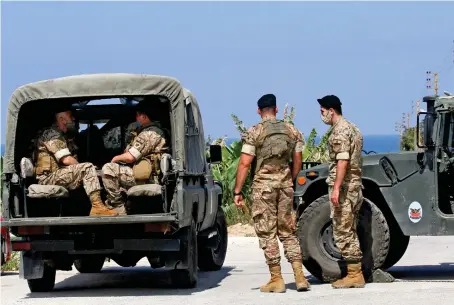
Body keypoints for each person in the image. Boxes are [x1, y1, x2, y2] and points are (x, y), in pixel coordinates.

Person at [233, 94, 310, 293]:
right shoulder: (292, 130)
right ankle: (300, 277)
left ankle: (276, 279)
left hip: (263, 189)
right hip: (285, 187)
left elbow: (244, 163)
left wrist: (237, 191)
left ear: (259, 111)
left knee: (267, 232)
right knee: (288, 231)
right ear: (276, 109)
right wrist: (288, 180)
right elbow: (298, 161)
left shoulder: (255, 132)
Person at [318, 94, 366, 288]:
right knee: (350, 228)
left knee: (342, 230)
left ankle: (355, 275)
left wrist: (336, 188)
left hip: (345, 187)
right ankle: (355, 273)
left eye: (322, 111)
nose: (321, 116)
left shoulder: (340, 131)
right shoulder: (353, 128)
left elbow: (343, 161)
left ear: (331, 111)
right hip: (355, 185)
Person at [34, 109, 118, 216]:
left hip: (56, 175)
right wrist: (89, 169)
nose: (73, 119)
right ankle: (97, 207)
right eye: (70, 116)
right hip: (48, 178)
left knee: (88, 170)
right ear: (61, 119)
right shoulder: (52, 134)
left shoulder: (63, 136)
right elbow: (66, 159)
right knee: (87, 168)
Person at [101, 101, 169, 215]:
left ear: (144, 116)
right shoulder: (148, 131)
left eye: (137, 115)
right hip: (145, 174)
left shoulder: (150, 133)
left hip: (148, 177)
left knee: (108, 169)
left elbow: (130, 157)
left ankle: (118, 208)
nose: (136, 118)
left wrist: (115, 159)